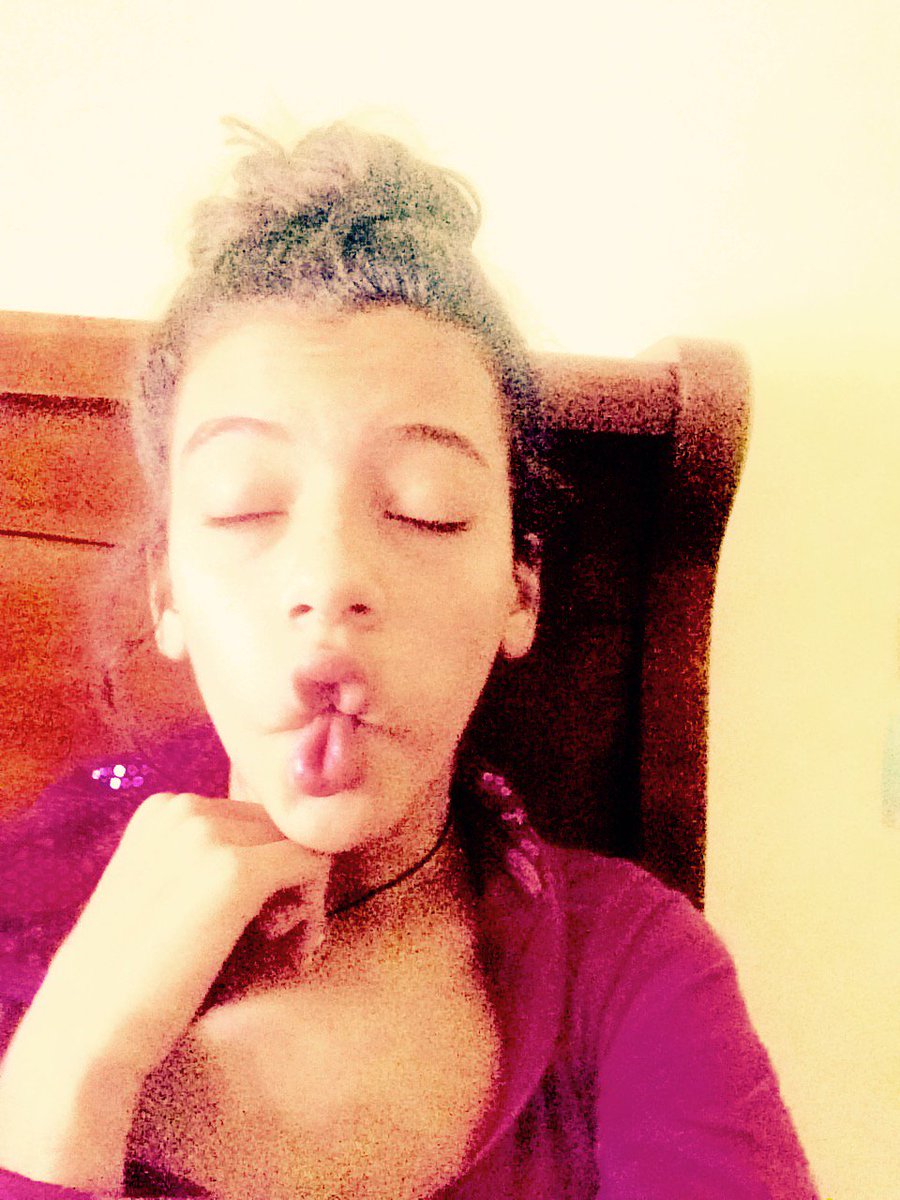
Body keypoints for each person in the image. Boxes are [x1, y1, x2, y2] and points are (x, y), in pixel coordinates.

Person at [0, 121, 821, 1199]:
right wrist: (70, 1066)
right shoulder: (16, 922)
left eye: (426, 510)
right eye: (244, 505)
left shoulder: (630, 968)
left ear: (520, 592)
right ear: (167, 594)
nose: (332, 578)